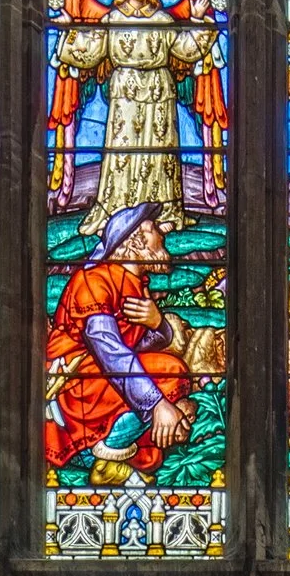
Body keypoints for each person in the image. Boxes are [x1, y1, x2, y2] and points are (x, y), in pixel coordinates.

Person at [50, 0, 221, 230]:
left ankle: (164, 212)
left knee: (159, 152)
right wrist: (71, 30)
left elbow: (186, 50)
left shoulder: (164, 21)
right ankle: (118, 209)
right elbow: (91, 53)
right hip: (125, 93)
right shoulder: (113, 19)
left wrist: (199, 20)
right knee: (124, 150)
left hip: (159, 91)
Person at [43, 205, 196, 480]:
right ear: (135, 241)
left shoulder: (134, 283)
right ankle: (108, 454)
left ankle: (126, 448)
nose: (162, 234)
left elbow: (138, 347)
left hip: (101, 380)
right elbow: (110, 351)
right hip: (76, 387)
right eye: (154, 230)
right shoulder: (94, 281)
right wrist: (157, 404)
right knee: (171, 374)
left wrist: (157, 324)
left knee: (173, 371)